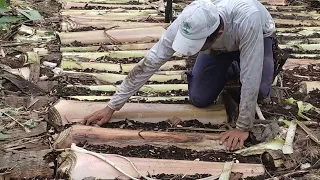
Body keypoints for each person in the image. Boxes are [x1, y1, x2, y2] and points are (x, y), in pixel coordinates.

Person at [83, 0, 276, 151]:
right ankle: (230, 70)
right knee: (200, 98)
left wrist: (242, 126)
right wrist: (112, 106)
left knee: (259, 88)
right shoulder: (190, 20)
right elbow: (151, 61)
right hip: (220, 48)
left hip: (258, 37)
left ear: (218, 32)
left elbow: (251, 73)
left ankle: (257, 64)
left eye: (198, 44)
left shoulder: (246, 18)